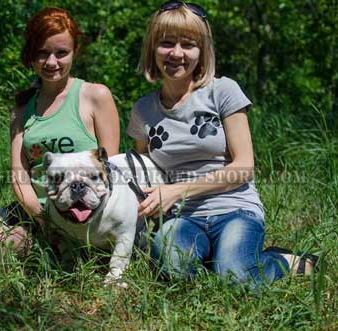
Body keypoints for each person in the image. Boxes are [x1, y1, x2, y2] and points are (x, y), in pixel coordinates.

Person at [127, 1, 316, 286]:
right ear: (152, 49)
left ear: (201, 52)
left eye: (188, 44)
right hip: (182, 217)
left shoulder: (223, 91)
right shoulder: (143, 110)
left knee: (238, 278)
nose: (176, 53)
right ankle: (218, 258)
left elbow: (244, 168)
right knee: (174, 272)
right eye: (166, 43)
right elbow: (142, 169)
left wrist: (177, 190)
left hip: (234, 209)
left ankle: (281, 261)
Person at [0, 7, 120, 255]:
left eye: (61, 53)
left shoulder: (95, 96)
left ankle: (61, 250)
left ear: (75, 52)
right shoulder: (21, 109)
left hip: (83, 215)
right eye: (42, 53)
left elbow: (111, 168)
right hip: (34, 213)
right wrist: (44, 220)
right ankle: (44, 244)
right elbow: (20, 176)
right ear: (30, 55)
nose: (51, 62)